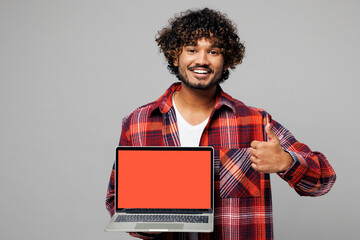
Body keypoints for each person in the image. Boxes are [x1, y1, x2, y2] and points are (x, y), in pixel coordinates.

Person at [105, 8, 336, 240]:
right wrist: (145, 224)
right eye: (191, 50)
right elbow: (116, 199)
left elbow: (324, 180)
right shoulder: (138, 123)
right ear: (175, 56)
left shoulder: (255, 122)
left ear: (226, 61)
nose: (202, 60)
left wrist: (286, 162)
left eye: (213, 51)